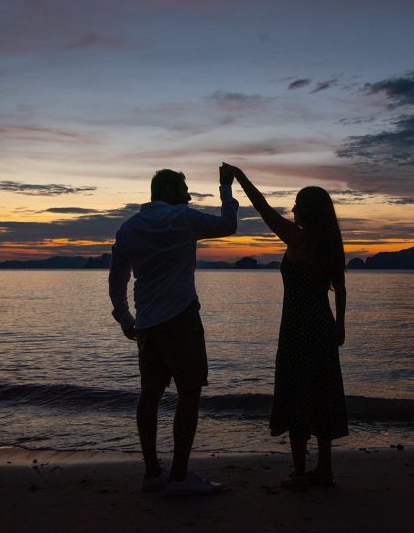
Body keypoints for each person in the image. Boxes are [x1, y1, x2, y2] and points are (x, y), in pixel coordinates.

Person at [109, 166, 238, 496]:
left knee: (149, 397)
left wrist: (126, 318)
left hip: (148, 325)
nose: (189, 195)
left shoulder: (128, 229)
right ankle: (179, 477)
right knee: (189, 394)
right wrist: (225, 187)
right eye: (184, 189)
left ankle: (153, 474)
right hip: (181, 318)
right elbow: (228, 225)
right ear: (168, 190)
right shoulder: (181, 217)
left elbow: (117, 280)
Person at [224, 163, 348, 490]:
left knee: (297, 394)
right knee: (321, 394)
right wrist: (340, 326)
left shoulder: (298, 240)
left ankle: (298, 472)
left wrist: (240, 178)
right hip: (323, 326)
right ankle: (324, 470)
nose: (292, 209)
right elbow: (342, 287)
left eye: (297, 204)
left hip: (297, 328)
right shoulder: (331, 242)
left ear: (307, 211)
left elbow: (264, 209)